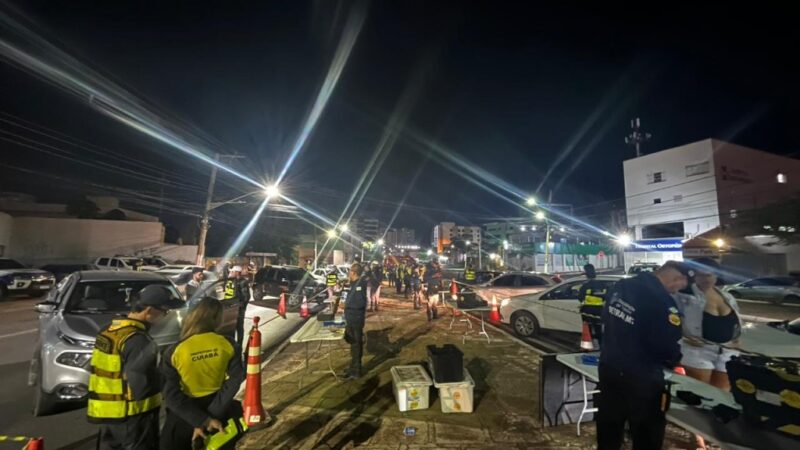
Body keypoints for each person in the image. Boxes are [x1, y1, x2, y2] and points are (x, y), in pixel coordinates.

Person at [597, 260, 692, 450]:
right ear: (678, 278)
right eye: (681, 286)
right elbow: (666, 345)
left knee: (609, 425)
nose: (677, 292)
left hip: (609, 367)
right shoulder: (661, 300)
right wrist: (674, 359)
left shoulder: (621, 286)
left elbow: (606, 321)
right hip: (642, 377)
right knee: (647, 432)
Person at [88, 284, 184, 450]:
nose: (165, 315)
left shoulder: (109, 331)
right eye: (164, 311)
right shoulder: (139, 341)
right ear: (149, 311)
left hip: (108, 414)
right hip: (133, 420)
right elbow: (141, 386)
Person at [160, 298, 245, 450]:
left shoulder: (174, 351)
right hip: (220, 410)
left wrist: (201, 420)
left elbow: (171, 394)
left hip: (184, 415)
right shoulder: (228, 344)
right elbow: (235, 380)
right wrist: (211, 418)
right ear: (216, 318)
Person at [343, 263, 368, 379]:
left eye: (349, 271)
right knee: (353, 343)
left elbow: (361, 303)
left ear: (353, 272)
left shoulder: (360, 285)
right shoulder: (353, 284)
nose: (348, 273)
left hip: (356, 318)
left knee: (357, 344)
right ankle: (352, 367)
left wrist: (347, 305)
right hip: (351, 317)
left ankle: (356, 371)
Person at [578, 263, 607, 345]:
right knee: (599, 330)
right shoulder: (602, 284)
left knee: (587, 330)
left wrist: (583, 303)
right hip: (599, 311)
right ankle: (602, 347)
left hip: (587, 311)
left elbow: (580, 297)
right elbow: (605, 296)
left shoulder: (585, 285)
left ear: (586, 272)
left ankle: (587, 347)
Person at [223, 266, 249, 350]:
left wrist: (239, 307)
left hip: (238, 310)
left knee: (239, 327)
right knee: (231, 328)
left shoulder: (242, 282)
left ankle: (239, 346)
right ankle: (232, 346)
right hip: (229, 309)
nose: (231, 273)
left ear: (237, 273)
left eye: (232, 272)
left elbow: (246, 297)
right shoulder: (231, 281)